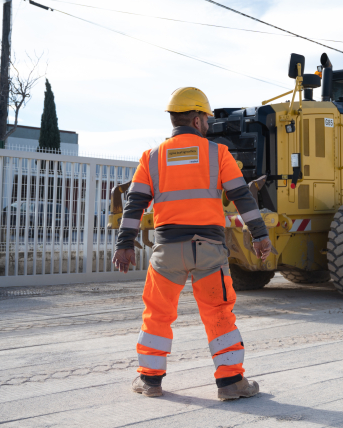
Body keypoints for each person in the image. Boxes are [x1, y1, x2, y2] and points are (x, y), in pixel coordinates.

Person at [113, 87, 272, 400]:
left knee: (157, 313)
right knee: (219, 315)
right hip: (209, 251)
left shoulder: (152, 157)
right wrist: (260, 235)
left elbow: (134, 205)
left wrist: (124, 244)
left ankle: (150, 381)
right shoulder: (218, 154)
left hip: (167, 251)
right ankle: (231, 383)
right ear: (198, 120)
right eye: (206, 119)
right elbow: (242, 197)